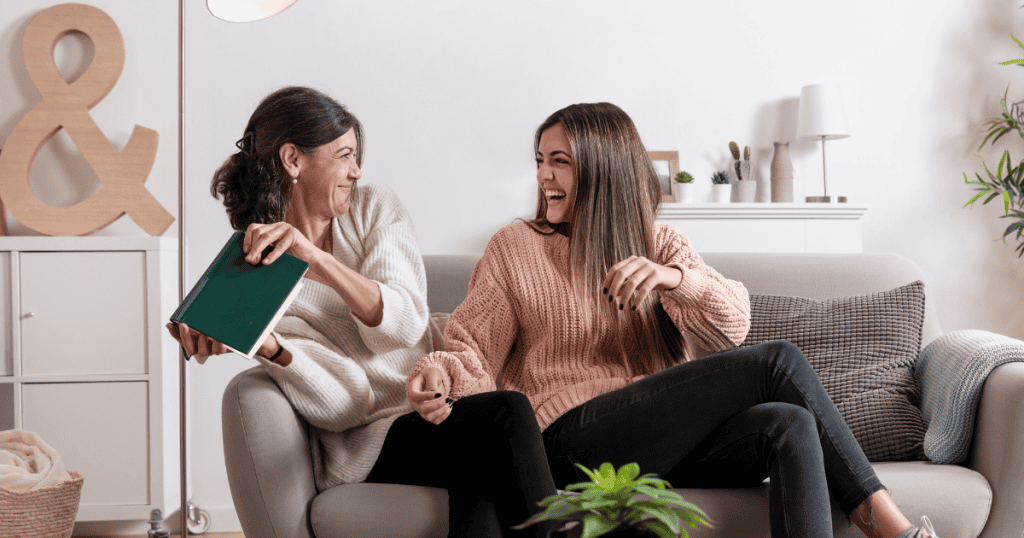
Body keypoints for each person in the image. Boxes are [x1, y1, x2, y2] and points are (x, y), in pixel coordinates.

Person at [407, 102, 939, 538]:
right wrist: (441, 376)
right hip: (570, 440)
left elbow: (733, 324)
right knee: (779, 362)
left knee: (789, 422)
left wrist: (675, 280)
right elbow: (472, 349)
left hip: (661, 441)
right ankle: (895, 531)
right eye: (541, 159)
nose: (544, 174)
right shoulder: (515, 248)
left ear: (602, 167)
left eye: (560, 161)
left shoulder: (659, 243)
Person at [167, 86, 556, 538]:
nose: (356, 170)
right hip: (377, 442)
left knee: (484, 475)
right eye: (345, 155)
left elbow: (405, 325)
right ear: (293, 160)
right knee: (506, 413)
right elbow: (348, 404)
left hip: (439, 406)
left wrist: (317, 259)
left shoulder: (373, 206)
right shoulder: (253, 280)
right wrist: (266, 344)